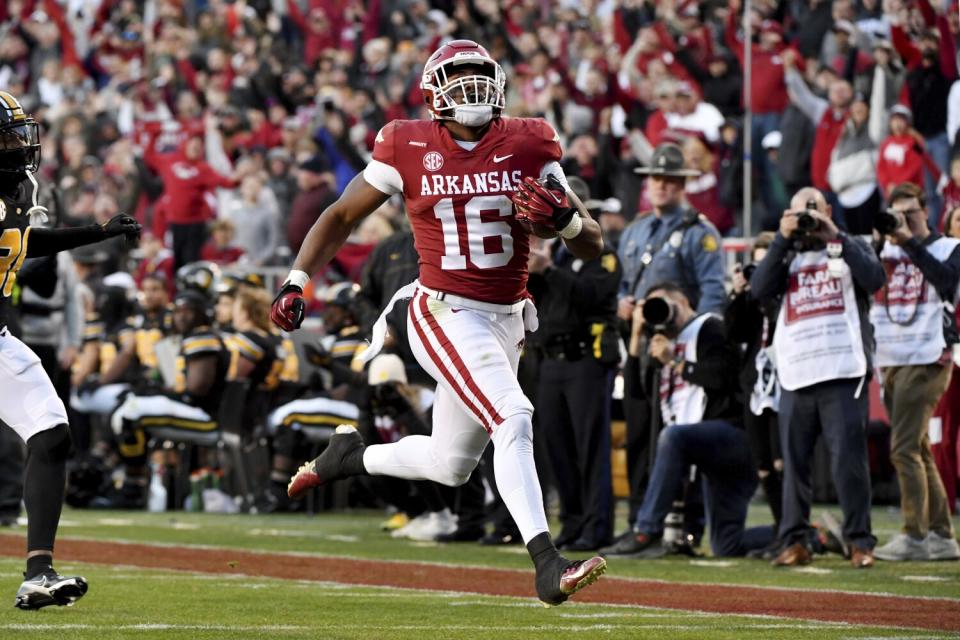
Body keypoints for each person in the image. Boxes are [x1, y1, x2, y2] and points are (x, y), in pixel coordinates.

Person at [272, 40, 607, 606]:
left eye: (481, 77)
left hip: (507, 320)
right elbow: (341, 215)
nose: (473, 88)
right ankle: (547, 564)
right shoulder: (406, 142)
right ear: (433, 93)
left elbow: (593, 242)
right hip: (441, 309)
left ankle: (350, 458)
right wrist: (297, 279)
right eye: (461, 77)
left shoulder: (530, 140)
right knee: (514, 416)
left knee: (451, 465)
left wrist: (566, 222)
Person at [0, 91, 141, 609]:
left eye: (18, 135)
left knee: (53, 433)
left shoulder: (10, 193)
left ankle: (38, 571)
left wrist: (95, 234)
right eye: (7, 136)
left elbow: (22, 241)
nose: (18, 146)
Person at [750, 187, 884, 569]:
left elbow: (875, 278)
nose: (808, 218)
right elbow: (759, 289)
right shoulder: (785, 252)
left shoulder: (849, 243)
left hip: (842, 370)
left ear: (827, 210)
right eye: (800, 212)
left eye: (814, 210)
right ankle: (795, 541)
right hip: (796, 373)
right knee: (794, 465)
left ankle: (860, 541)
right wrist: (781, 237)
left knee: (848, 463)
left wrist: (835, 235)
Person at [601, 283, 773, 559]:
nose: (662, 314)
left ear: (683, 300)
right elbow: (637, 397)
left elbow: (724, 378)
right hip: (707, 452)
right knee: (727, 545)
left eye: (666, 305)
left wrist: (676, 361)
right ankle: (805, 533)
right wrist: (636, 337)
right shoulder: (662, 343)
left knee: (674, 437)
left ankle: (646, 530)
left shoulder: (710, 327)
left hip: (734, 436)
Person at [615, 142, 725, 539]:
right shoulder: (634, 230)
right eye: (656, 179)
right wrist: (622, 304)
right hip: (640, 347)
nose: (660, 186)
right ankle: (638, 521)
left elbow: (713, 295)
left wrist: (692, 341)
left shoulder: (700, 232)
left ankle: (678, 526)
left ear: (683, 185)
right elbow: (623, 285)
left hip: (680, 350)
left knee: (676, 435)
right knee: (639, 432)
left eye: (669, 180)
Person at [526, 176, 621, 552]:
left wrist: (549, 272)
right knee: (558, 448)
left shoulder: (602, 254)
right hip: (550, 362)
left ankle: (597, 528)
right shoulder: (550, 255)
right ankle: (571, 521)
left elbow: (595, 296)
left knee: (590, 448)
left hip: (586, 359)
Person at [869, 183, 960, 561]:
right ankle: (941, 534)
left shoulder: (949, 247)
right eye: (897, 214)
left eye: (912, 213)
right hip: (892, 356)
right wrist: (876, 242)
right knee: (918, 447)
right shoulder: (884, 249)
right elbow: (863, 280)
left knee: (903, 448)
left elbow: (947, 282)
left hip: (928, 355)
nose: (904, 221)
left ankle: (915, 535)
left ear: (927, 211)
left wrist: (908, 241)